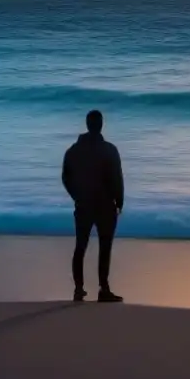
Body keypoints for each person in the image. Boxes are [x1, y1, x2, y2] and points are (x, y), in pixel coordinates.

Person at [62, 109, 124, 302]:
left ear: (87, 125)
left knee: (81, 246)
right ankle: (103, 288)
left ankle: (78, 289)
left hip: (84, 204)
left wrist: (76, 195)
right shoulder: (109, 149)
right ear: (101, 125)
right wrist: (119, 200)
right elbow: (116, 178)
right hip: (105, 204)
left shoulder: (73, 150)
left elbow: (65, 177)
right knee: (104, 248)